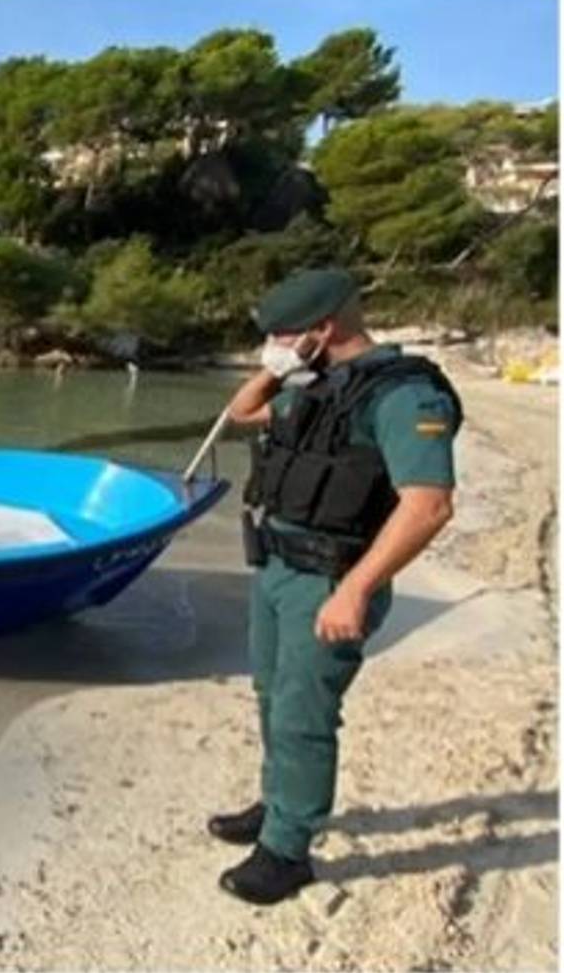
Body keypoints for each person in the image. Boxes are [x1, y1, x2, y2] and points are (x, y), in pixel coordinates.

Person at [211, 268, 463, 905]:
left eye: (283, 332)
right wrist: (280, 364)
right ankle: (276, 806)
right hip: (277, 565)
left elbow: (428, 505)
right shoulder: (320, 383)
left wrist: (356, 589)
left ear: (324, 328)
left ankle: (288, 852)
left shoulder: (404, 396)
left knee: (303, 715)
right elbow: (241, 412)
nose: (272, 342)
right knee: (273, 696)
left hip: (330, 577)